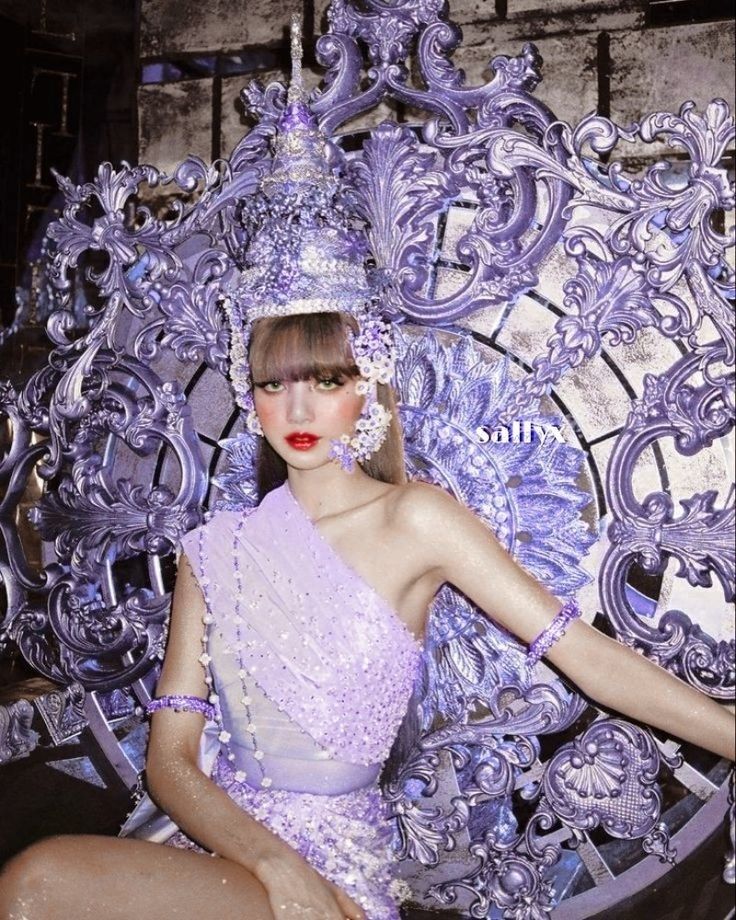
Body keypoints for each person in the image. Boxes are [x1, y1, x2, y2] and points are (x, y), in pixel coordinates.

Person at [0, 18, 734, 920]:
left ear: (368, 389)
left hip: (338, 865)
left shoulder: (415, 521)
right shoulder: (215, 546)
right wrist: (273, 867)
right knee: (32, 883)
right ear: (250, 394)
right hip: (226, 853)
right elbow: (170, 761)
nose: (298, 410)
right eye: (273, 385)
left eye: (325, 380)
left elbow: (585, 657)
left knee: (36, 883)